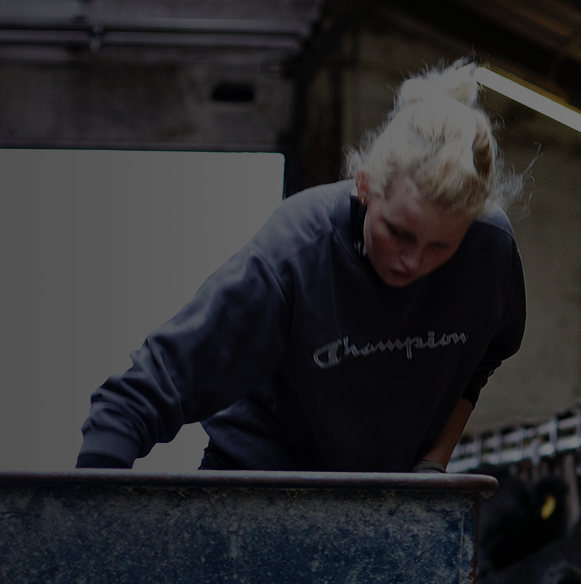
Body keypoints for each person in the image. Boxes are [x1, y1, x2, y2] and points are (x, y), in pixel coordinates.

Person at [77, 61, 525, 473]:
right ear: (364, 186)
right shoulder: (295, 253)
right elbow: (146, 392)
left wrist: (432, 465)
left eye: (439, 247)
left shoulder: (489, 249)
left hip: (383, 500)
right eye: (399, 233)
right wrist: (92, 512)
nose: (414, 260)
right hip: (260, 492)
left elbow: (482, 359)